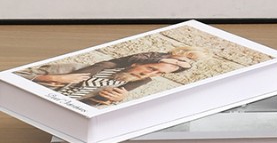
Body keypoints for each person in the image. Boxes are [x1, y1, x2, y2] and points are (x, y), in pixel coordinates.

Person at [28, 45, 207, 105]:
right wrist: (50, 78)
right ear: (136, 64)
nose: (150, 74)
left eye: (159, 73)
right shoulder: (75, 68)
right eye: (151, 68)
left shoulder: (124, 87)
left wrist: (111, 101)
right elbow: (20, 76)